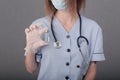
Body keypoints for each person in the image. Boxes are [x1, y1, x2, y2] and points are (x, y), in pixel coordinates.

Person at [24, 0, 105, 80]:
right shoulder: (39, 26)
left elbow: (92, 68)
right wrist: (30, 49)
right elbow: (31, 69)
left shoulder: (93, 28)